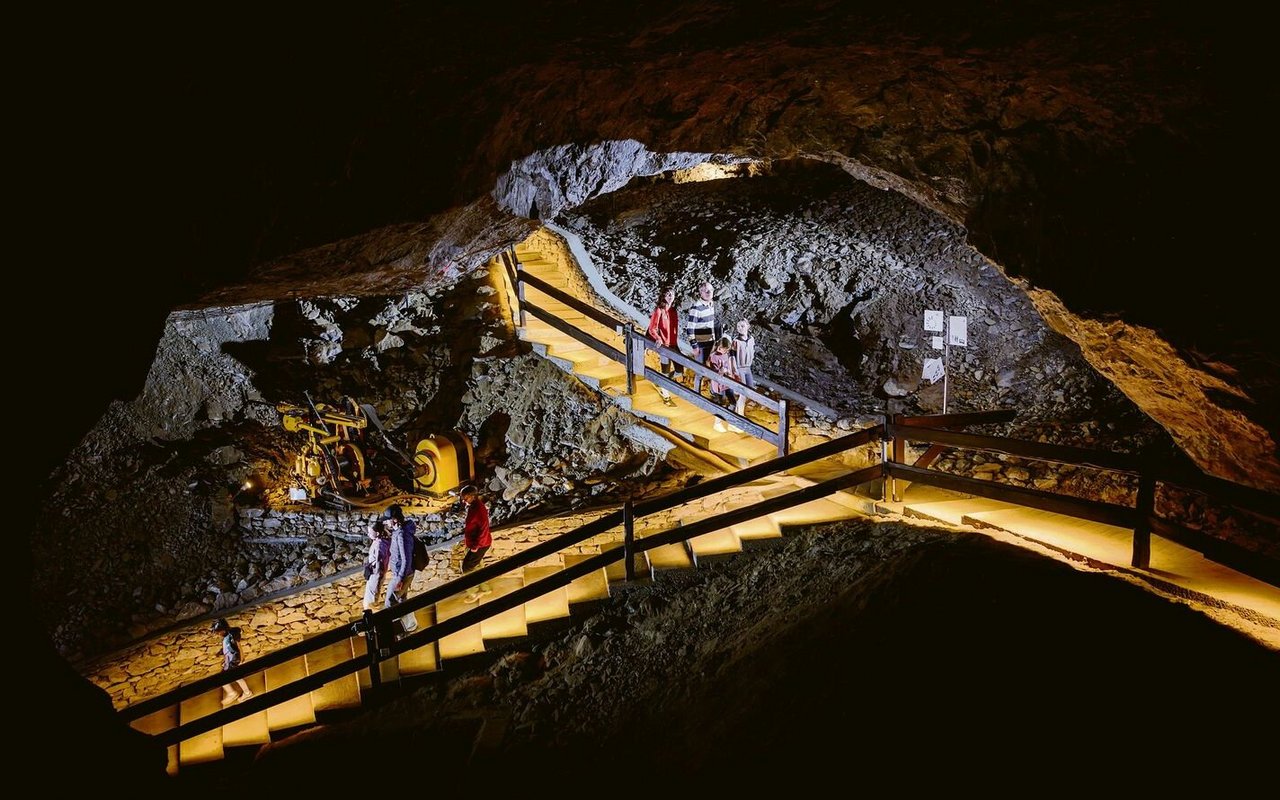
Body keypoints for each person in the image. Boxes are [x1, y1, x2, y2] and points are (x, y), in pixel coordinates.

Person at [383, 505, 419, 634]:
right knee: (402, 600)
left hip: (402, 575)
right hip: (403, 573)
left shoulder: (402, 535)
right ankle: (410, 626)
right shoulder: (399, 532)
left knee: (390, 602)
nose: (385, 522)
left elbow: (406, 559)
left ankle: (397, 631)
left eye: (387, 520)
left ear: (394, 519)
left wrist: (399, 578)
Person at [458, 485, 493, 603]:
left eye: (466, 498)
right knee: (477, 565)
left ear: (473, 496)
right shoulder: (475, 506)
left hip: (480, 544)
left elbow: (483, 529)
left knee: (467, 567)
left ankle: (473, 592)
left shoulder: (478, 509)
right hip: (479, 543)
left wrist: (475, 546)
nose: (464, 500)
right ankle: (485, 588)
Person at [684, 280, 720, 395]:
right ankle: (696, 393)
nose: (709, 293)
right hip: (701, 344)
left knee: (713, 367)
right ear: (700, 293)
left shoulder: (711, 304)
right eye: (706, 291)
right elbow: (690, 328)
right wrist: (694, 346)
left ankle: (713, 391)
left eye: (710, 290)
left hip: (711, 342)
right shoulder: (696, 308)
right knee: (700, 370)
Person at [646, 284, 680, 406]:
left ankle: (661, 382)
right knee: (665, 370)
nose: (671, 296)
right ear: (663, 296)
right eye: (668, 294)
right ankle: (666, 397)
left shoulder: (673, 311)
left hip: (673, 344)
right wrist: (658, 338)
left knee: (679, 370)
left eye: (672, 294)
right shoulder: (659, 311)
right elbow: (652, 328)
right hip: (665, 345)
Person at [211, 618, 252, 706]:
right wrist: (220, 653)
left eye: (218, 632)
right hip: (230, 660)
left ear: (224, 629)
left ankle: (235, 693)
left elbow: (238, 646)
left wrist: (242, 659)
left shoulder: (232, 635)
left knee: (223, 678)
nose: (218, 634)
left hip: (234, 660)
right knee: (237, 677)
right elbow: (228, 647)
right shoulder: (227, 636)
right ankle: (246, 693)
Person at [707, 336, 737, 432]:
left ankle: (730, 421)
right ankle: (717, 423)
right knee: (721, 403)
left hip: (727, 383)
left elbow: (728, 366)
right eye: (725, 350)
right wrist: (722, 370)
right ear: (720, 348)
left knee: (733, 402)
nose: (726, 352)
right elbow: (715, 372)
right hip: (718, 384)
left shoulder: (726, 355)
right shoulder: (714, 356)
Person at [362, 517, 392, 612]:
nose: (368, 534)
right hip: (375, 574)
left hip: (375, 575)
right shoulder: (381, 542)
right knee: (369, 601)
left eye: (370, 532)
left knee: (370, 603)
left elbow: (380, 564)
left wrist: (376, 577)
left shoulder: (380, 545)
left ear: (378, 533)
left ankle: (373, 619)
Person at [729, 318, 757, 417]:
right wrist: (734, 370)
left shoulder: (751, 339)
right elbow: (732, 356)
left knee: (749, 391)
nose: (740, 328)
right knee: (743, 393)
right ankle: (740, 415)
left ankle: (738, 410)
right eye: (738, 326)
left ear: (748, 327)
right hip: (740, 368)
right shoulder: (736, 341)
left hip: (747, 367)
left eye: (743, 326)